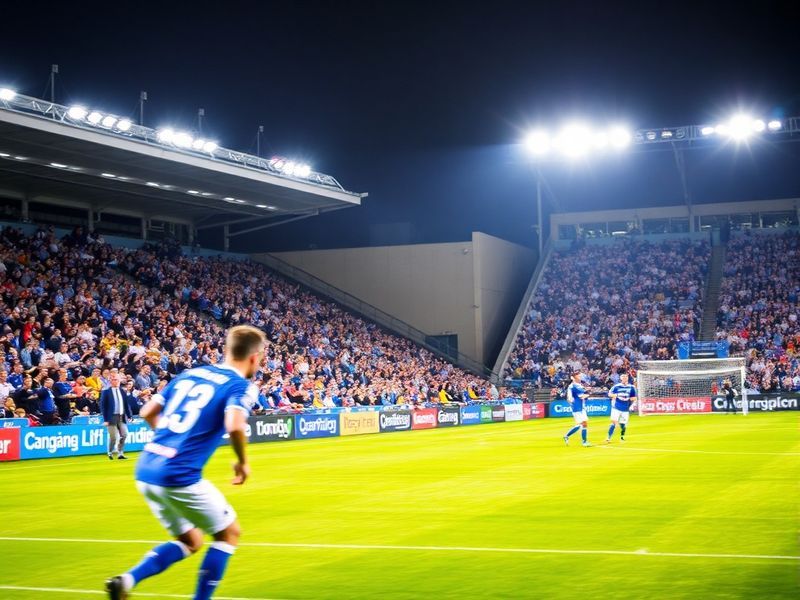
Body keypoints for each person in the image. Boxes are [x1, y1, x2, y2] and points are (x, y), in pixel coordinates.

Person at [105, 325, 264, 600]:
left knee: (191, 541)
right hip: (179, 475)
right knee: (229, 534)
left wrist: (168, 442)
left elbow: (147, 411)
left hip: (146, 470)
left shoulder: (191, 373)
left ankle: (128, 580)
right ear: (255, 357)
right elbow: (235, 425)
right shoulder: (240, 386)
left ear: (226, 350)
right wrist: (242, 462)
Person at [100, 373, 133, 460]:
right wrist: (106, 419)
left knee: (124, 434)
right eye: (114, 380)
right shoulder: (106, 391)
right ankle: (110, 452)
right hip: (111, 417)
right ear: (110, 381)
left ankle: (120, 452)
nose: (117, 382)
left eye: (118, 380)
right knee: (113, 437)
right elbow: (103, 406)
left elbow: (126, 404)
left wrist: (129, 415)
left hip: (121, 416)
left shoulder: (122, 391)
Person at [606, 373, 637, 443]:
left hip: (625, 408)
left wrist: (633, 402)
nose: (625, 377)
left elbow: (633, 397)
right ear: (620, 378)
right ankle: (608, 438)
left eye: (626, 376)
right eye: (623, 376)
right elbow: (609, 394)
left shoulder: (631, 387)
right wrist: (615, 395)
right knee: (613, 422)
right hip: (616, 407)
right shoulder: (616, 386)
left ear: (628, 378)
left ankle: (622, 437)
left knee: (623, 425)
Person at [563, 371, 591, 447]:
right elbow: (582, 396)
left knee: (584, 424)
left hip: (581, 407)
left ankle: (584, 441)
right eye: (578, 376)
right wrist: (588, 393)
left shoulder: (579, 385)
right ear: (573, 377)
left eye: (580, 376)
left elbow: (583, 393)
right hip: (576, 407)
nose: (580, 377)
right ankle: (568, 436)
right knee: (580, 424)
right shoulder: (573, 386)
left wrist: (586, 391)